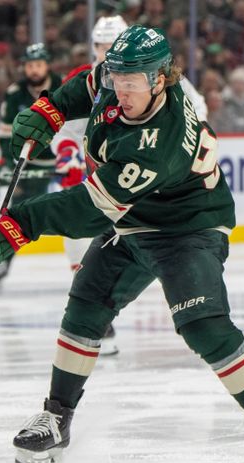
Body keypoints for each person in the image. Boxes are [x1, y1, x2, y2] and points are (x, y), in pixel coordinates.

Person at [0, 26, 244, 463]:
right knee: (84, 308)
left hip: (187, 227)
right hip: (133, 218)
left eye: (132, 82)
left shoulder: (159, 139)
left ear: (160, 79)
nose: (121, 90)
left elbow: (89, 211)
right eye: (117, 78)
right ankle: (57, 418)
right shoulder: (118, 80)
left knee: (202, 326)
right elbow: (85, 84)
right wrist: (50, 110)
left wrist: (20, 224)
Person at [48, 15, 208, 356]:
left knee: (146, 242)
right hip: (102, 171)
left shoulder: (155, 71)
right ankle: (99, 320)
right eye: (101, 47)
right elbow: (64, 126)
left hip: (142, 173)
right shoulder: (86, 80)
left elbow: (197, 108)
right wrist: (67, 154)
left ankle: (194, 308)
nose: (107, 54)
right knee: (80, 233)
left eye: (112, 45)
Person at [0, 42, 62, 282]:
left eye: (38, 65)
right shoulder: (15, 94)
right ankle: (3, 261)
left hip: (67, 161)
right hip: (30, 165)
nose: (34, 70)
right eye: (30, 65)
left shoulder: (64, 88)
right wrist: (9, 166)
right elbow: (4, 134)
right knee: (16, 214)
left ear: (47, 65)